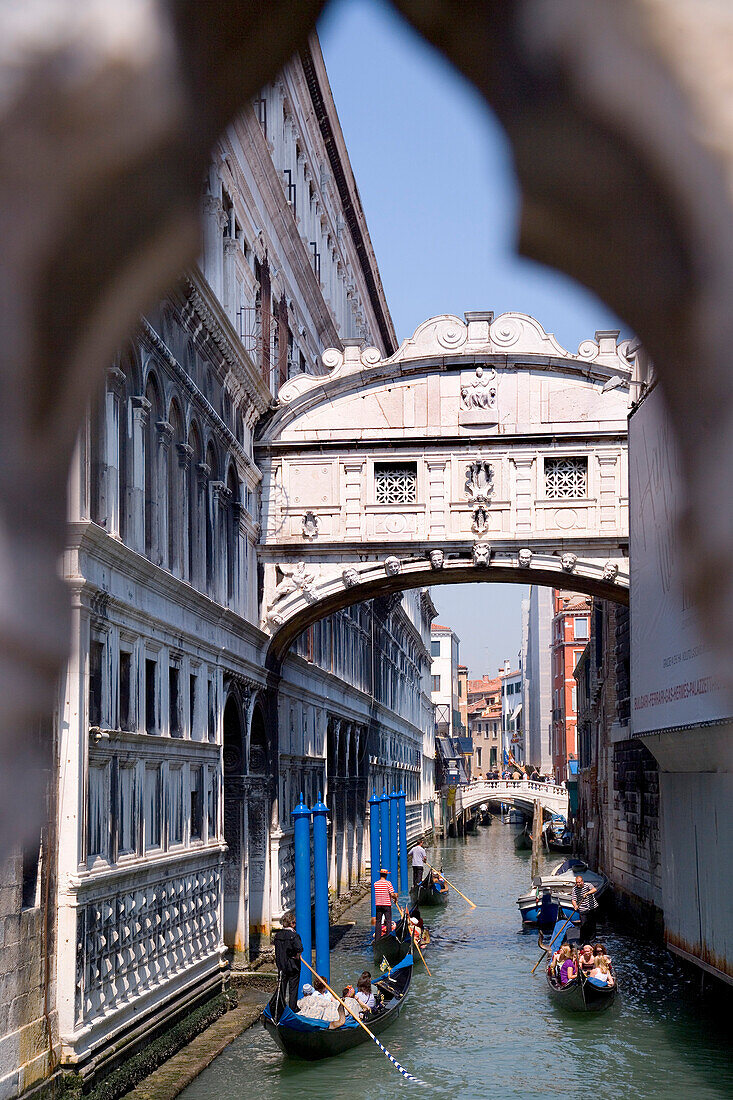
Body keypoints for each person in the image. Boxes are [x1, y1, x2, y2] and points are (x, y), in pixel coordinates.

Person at [270, 911, 302, 1017]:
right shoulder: (294, 935)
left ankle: (280, 1009)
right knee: (293, 988)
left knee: (282, 987)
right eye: (295, 923)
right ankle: (293, 1008)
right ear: (292, 923)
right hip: (293, 966)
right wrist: (297, 955)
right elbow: (299, 948)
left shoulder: (278, 935)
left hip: (281, 966)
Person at [571, 874, 598, 944]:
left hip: (592, 908)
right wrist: (575, 906)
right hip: (583, 909)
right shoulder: (574, 889)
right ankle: (582, 941)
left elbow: (594, 889)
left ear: (582, 881)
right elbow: (573, 899)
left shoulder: (588, 885)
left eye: (579, 882)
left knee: (592, 925)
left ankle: (592, 941)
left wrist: (587, 893)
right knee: (583, 925)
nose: (578, 884)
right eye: (577, 882)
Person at [373, 867, 397, 940]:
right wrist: (395, 898)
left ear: (380, 875)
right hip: (386, 905)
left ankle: (377, 938)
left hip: (378, 905)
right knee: (388, 921)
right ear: (386, 875)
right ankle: (388, 937)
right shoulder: (388, 883)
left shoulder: (375, 884)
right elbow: (392, 894)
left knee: (378, 922)